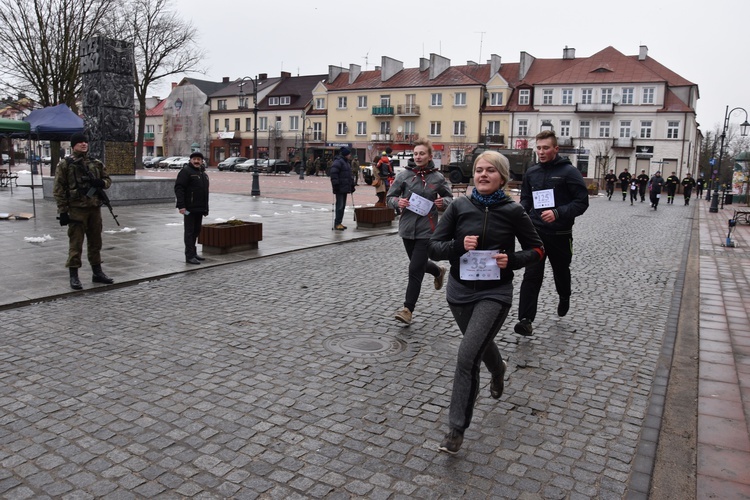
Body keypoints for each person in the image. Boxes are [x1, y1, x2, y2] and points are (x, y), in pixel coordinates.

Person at [428, 151, 544, 454]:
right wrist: (457, 245)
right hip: (459, 293)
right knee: (479, 343)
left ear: (502, 177)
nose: (482, 175)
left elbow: (538, 250)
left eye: (490, 171)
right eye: (479, 170)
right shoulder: (459, 207)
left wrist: (512, 260)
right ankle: (499, 369)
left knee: (467, 355)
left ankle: (455, 429)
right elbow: (434, 247)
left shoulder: (514, 211)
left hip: (494, 293)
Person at [514, 131, 589, 337]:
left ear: (556, 149)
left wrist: (557, 213)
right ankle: (525, 320)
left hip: (560, 233)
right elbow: (527, 198)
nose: (541, 152)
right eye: (538, 148)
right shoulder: (532, 172)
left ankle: (564, 296)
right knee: (532, 275)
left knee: (561, 270)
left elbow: (582, 202)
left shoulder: (569, 172)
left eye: (546, 148)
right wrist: (521, 212)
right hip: (536, 232)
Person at [387, 138, 453, 325]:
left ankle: (408, 309)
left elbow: (449, 198)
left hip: (428, 229)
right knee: (420, 264)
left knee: (415, 268)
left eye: (422, 153)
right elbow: (390, 197)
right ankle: (438, 271)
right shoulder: (404, 176)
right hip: (407, 228)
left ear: (430, 156)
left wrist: (443, 203)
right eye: (415, 153)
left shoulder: (437, 178)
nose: (418, 156)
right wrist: (397, 202)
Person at [53, 132, 115, 290]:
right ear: (73, 145)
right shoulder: (65, 164)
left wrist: (100, 182)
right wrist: (63, 211)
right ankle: (73, 276)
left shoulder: (96, 163)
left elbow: (108, 180)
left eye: (85, 142)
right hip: (76, 210)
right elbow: (59, 188)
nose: (83, 144)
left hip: (94, 208)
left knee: (96, 243)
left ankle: (97, 272)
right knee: (76, 244)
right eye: (80, 142)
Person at [175, 152, 210, 264]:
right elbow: (179, 188)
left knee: (196, 231)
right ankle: (189, 256)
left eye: (198, 159)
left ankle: (193, 253)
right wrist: (181, 206)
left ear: (201, 161)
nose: (196, 161)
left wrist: (205, 208)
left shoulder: (202, 173)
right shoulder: (186, 172)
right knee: (189, 232)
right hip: (189, 209)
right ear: (190, 160)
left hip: (199, 208)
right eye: (194, 159)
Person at [329, 147, 355, 231]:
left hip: (344, 187)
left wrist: (352, 185)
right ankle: (337, 223)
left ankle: (339, 222)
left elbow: (349, 175)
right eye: (349, 154)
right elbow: (333, 174)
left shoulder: (346, 162)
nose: (350, 155)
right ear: (345, 154)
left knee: (342, 206)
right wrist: (335, 185)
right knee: (339, 206)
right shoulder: (338, 162)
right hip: (340, 187)